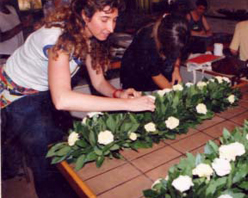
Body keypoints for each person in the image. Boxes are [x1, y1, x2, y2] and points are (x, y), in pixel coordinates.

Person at [0, 0, 155, 197]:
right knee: (46, 157)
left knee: (63, 149)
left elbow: (98, 83)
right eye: (105, 19)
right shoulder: (58, 38)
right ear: (84, 15)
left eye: (114, 20)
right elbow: (63, 99)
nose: (111, 28)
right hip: (18, 94)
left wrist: (118, 94)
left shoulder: (89, 35)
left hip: (45, 90)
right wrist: (127, 104)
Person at [120, 13, 190, 91]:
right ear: (164, 41)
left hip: (156, 70)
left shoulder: (175, 28)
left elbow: (178, 49)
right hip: (135, 74)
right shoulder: (146, 41)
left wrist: (176, 69)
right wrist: (175, 94)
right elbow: (155, 74)